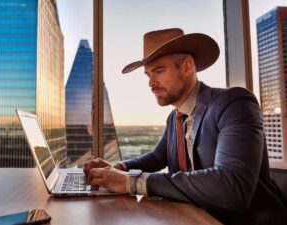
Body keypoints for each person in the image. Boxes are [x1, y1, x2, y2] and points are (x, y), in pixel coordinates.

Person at [84, 28, 287, 224]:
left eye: (159, 71)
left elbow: (231, 187)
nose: (151, 83)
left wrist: (132, 182)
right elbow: (157, 157)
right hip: (191, 218)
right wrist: (117, 168)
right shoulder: (175, 118)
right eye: (148, 75)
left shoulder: (234, 103)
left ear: (187, 66)